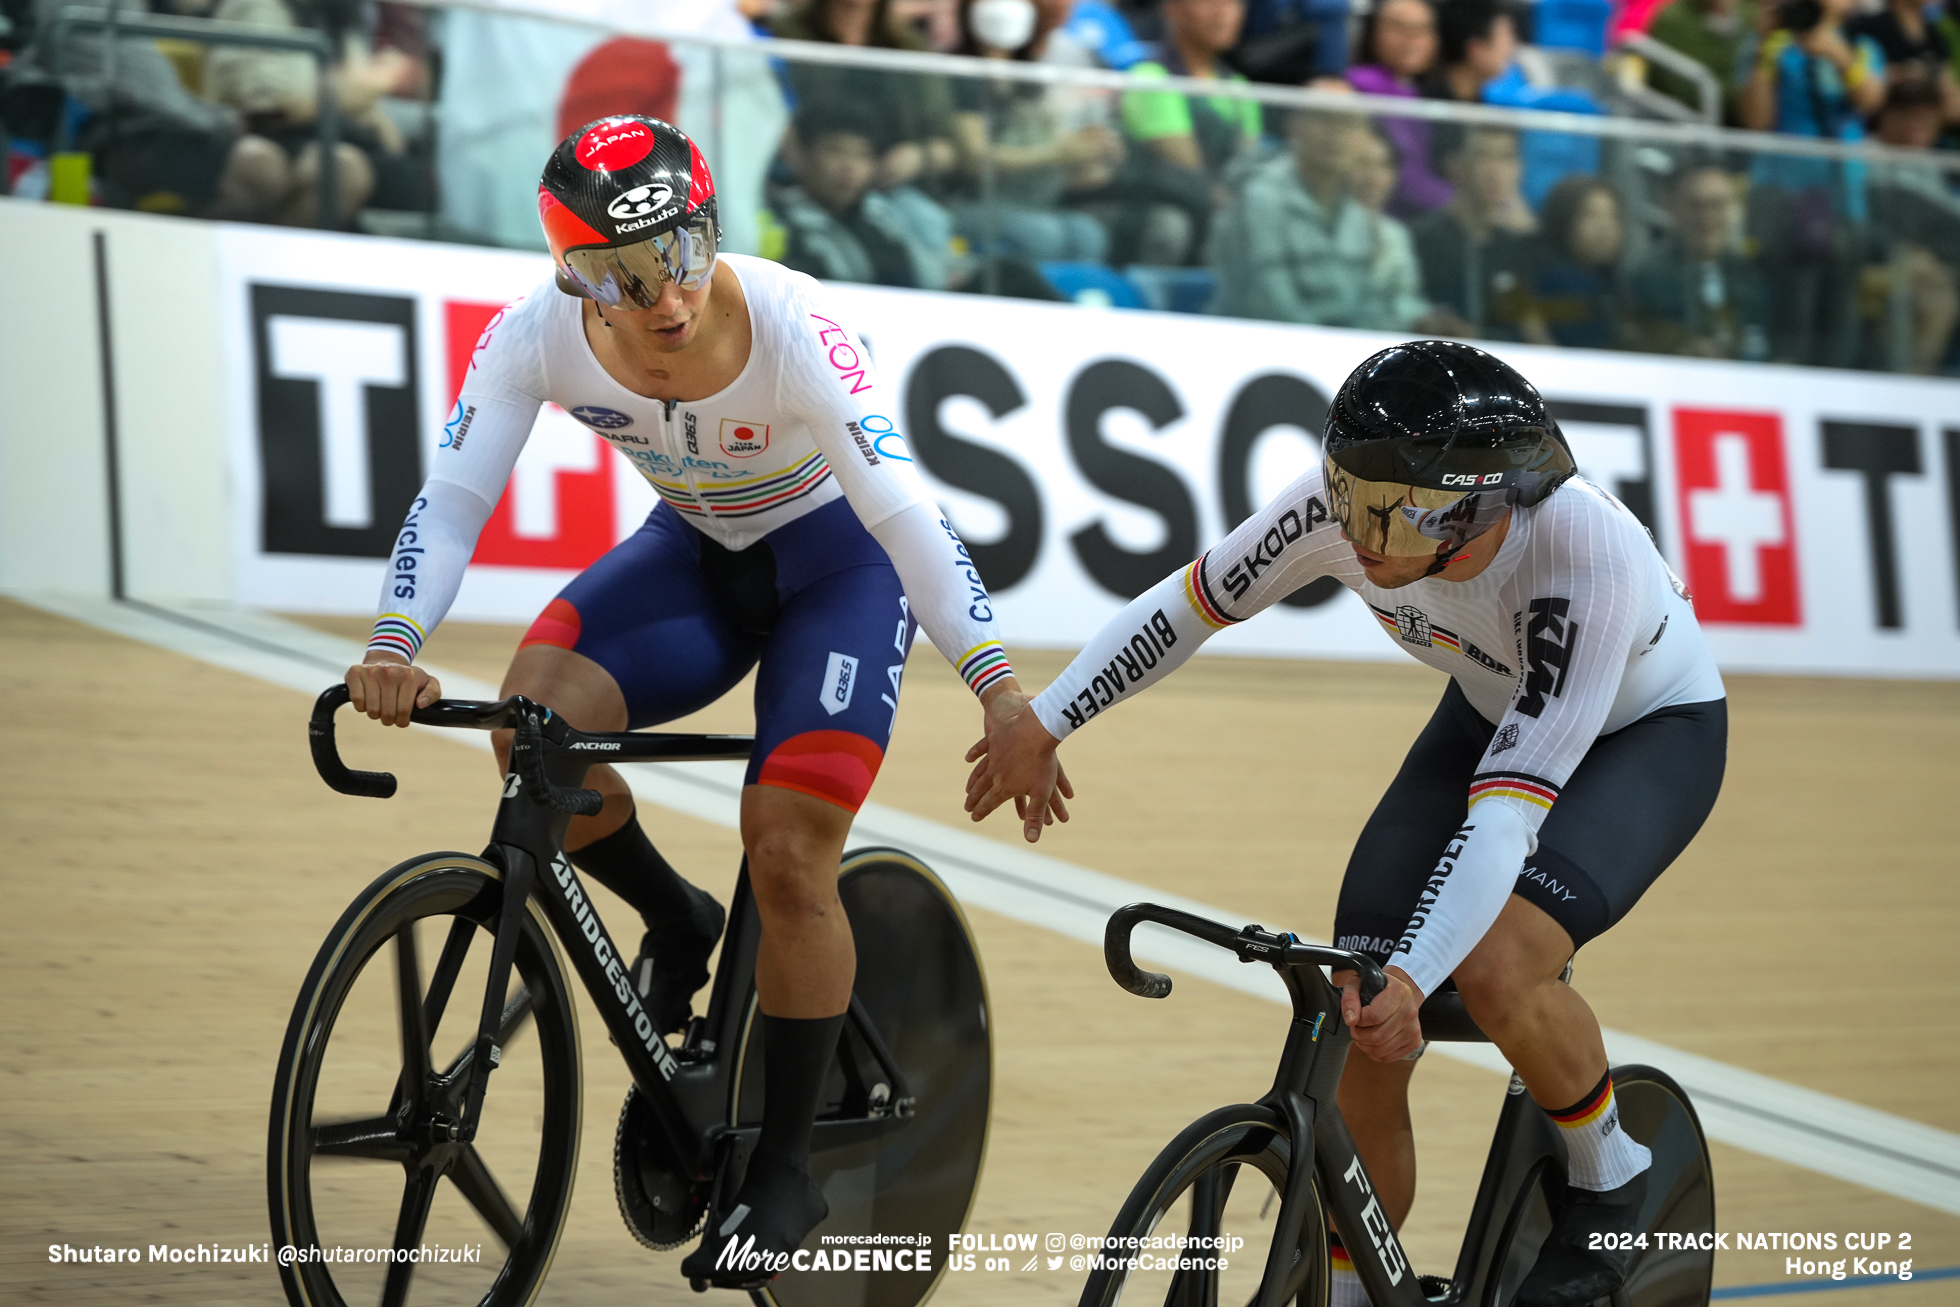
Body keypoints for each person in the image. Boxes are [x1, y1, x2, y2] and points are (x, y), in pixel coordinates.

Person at [343, 115, 1059, 1288]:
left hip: (840, 570)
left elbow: (905, 518)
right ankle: (676, 914)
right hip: (694, 557)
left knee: (785, 853)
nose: (663, 292)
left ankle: (783, 1166)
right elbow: (456, 494)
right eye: (620, 273)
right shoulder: (534, 335)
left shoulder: (793, 325)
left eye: (680, 249)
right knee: (533, 726)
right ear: (569, 275)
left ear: (712, 227)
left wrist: (1001, 692)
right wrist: (392, 637)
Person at [966, 340, 1727, 1307]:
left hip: (1645, 735)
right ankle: (1356, 1284)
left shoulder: (1585, 557)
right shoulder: (1343, 507)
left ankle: (1610, 1169)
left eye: (1381, 510)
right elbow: (1193, 603)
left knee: (1497, 971)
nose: (1352, 527)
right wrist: (1047, 719)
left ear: (1472, 505)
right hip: (1491, 708)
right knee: (1357, 1006)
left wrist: (1424, 972)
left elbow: (1503, 819)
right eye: (1345, 490)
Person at [1738, 0, 1886, 364]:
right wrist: (1765, 49)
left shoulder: (1862, 48)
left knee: (1841, 319)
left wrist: (1839, 56)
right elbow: (1756, 120)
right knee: (1791, 313)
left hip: (1845, 200)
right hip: (1783, 197)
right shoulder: (1770, 45)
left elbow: (1872, 103)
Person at [1209, 111, 1436, 331]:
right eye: (1323, 120)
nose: (1335, 133)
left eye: (1348, 123)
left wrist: (1418, 321)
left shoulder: (1356, 211)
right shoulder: (1258, 197)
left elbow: (1366, 304)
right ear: (1294, 127)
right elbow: (1268, 301)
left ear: (1364, 136)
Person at [949, 0, 1124, 262]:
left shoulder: (1027, 79)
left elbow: (1056, 142)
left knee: (1087, 234)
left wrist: (1089, 150)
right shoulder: (961, 76)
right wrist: (1055, 153)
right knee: (1044, 235)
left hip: (1031, 202)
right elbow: (975, 158)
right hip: (972, 204)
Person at [1117, 0, 1263, 263]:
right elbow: (1189, 170)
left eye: (1233, 4)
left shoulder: (1239, 88)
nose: (1224, 13)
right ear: (1173, 9)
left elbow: (1248, 164)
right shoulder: (1152, 78)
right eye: (1211, 3)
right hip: (1163, 211)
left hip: (1227, 212)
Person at [774, 104, 950, 287]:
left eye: (862, 154)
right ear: (803, 155)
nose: (849, 167)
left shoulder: (882, 215)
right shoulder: (780, 220)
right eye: (835, 151)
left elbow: (933, 280)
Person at [1626, 165, 1769, 360]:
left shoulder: (1750, 275)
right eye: (1696, 205)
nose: (1707, 218)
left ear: (1735, 209)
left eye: (1717, 205)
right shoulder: (1647, 278)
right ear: (1673, 208)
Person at [1409, 125, 1537, 339]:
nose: (1495, 170)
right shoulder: (1421, 238)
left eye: (1506, 157)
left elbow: (1525, 327)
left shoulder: (1515, 248)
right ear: (1454, 165)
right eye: (1482, 155)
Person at [1344, 0, 1454, 216]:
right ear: (1372, 33)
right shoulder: (1362, 85)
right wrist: (1458, 203)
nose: (1412, 39)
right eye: (1398, 27)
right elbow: (1404, 178)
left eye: (1422, 29)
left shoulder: (1414, 92)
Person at [1526, 174, 1625, 350]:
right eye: (1590, 215)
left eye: (1612, 216)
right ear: (1563, 219)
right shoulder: (1551, 280)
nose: (1604, 226)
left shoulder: (1611, 283)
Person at [1643, 0, 1759, 125]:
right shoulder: (1673, 19)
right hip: (1681, 123)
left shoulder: (1750, 15)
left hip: (1738, 120)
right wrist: (1745, 96)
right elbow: (1686, 89)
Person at [1426, 0, 1517, 103]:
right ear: (1476, 49)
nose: (1512, 47)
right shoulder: (1421, 105)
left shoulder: (1482, 102)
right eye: (1507, 36)